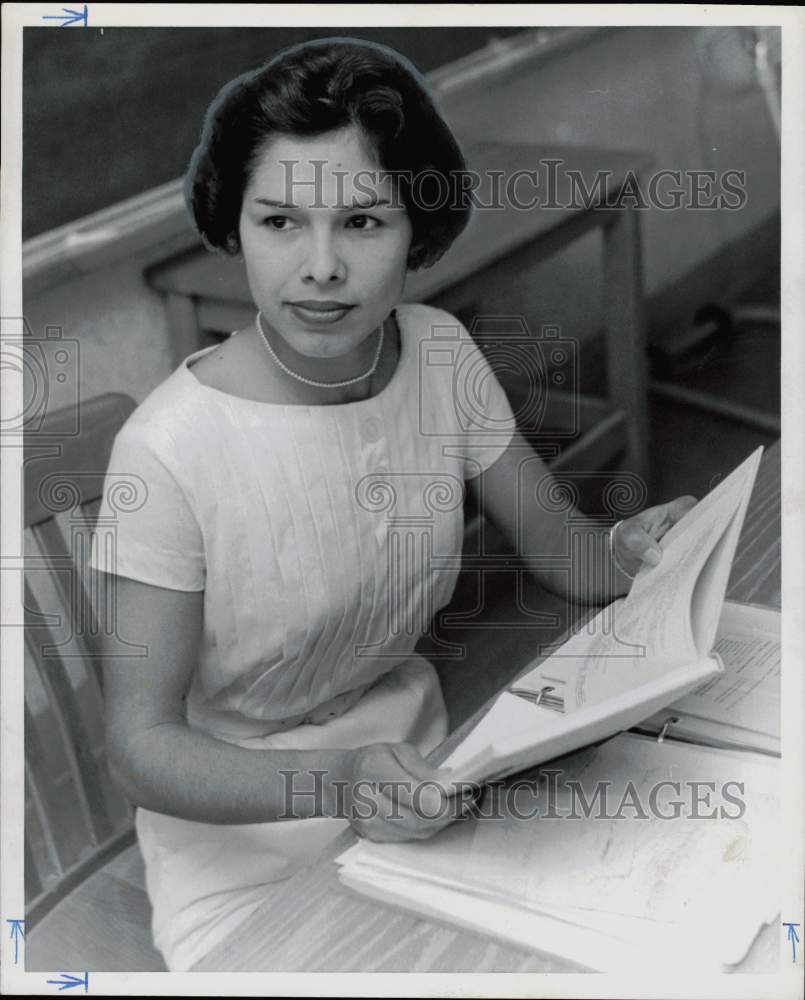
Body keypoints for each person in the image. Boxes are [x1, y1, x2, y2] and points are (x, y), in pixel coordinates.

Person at [89, 37, 695, 972]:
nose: (320, 266)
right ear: (233, 226)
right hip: (246, 843)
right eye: (279, 222)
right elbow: (140, 749)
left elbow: (564, 553)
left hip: (430, 780)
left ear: (419, 230)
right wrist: (335, 783)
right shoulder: (170, 452)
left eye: (364, 223)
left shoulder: (439, 352)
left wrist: (630, 552)